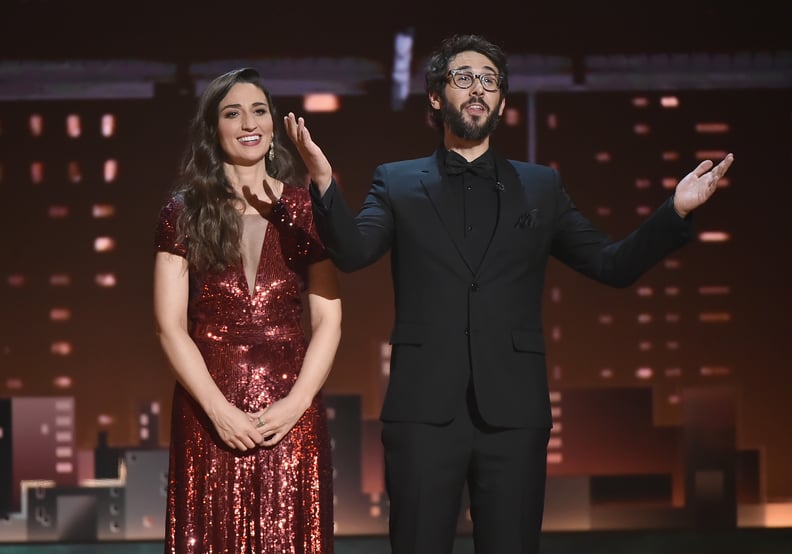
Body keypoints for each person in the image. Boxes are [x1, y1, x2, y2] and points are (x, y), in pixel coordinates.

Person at [286, 34, 733, 554]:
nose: (478, 89)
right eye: (464, 78)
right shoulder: (398, 182)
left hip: (514, 414)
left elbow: (612, 266)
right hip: (424, 413)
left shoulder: (540, 187)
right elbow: (354, 252)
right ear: (436, 96)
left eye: (490, 81)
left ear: (500, 101)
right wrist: (322, 182)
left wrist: (673, 211)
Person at [153, 67, 342, 554]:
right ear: (213, 129)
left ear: (274, 123)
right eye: (232, 113)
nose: (248, 122)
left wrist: (296, 406)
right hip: (209, 408)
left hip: (291, 411)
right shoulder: (185, 210)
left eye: (259, 110)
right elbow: (170, 327)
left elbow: (327, 319)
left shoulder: (303, 210)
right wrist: (219, 412)